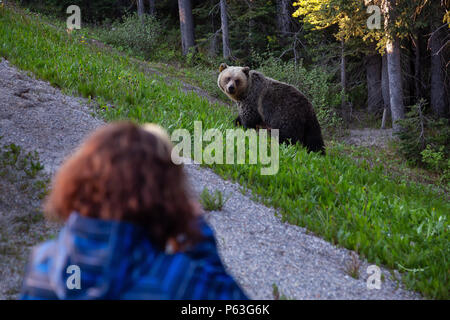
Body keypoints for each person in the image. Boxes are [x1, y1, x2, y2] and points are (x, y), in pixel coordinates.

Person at [20, 122, 248, 300]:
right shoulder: (178, 281)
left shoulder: (43, 266)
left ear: (77, 183)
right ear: (165, 199)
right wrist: (199, 237)